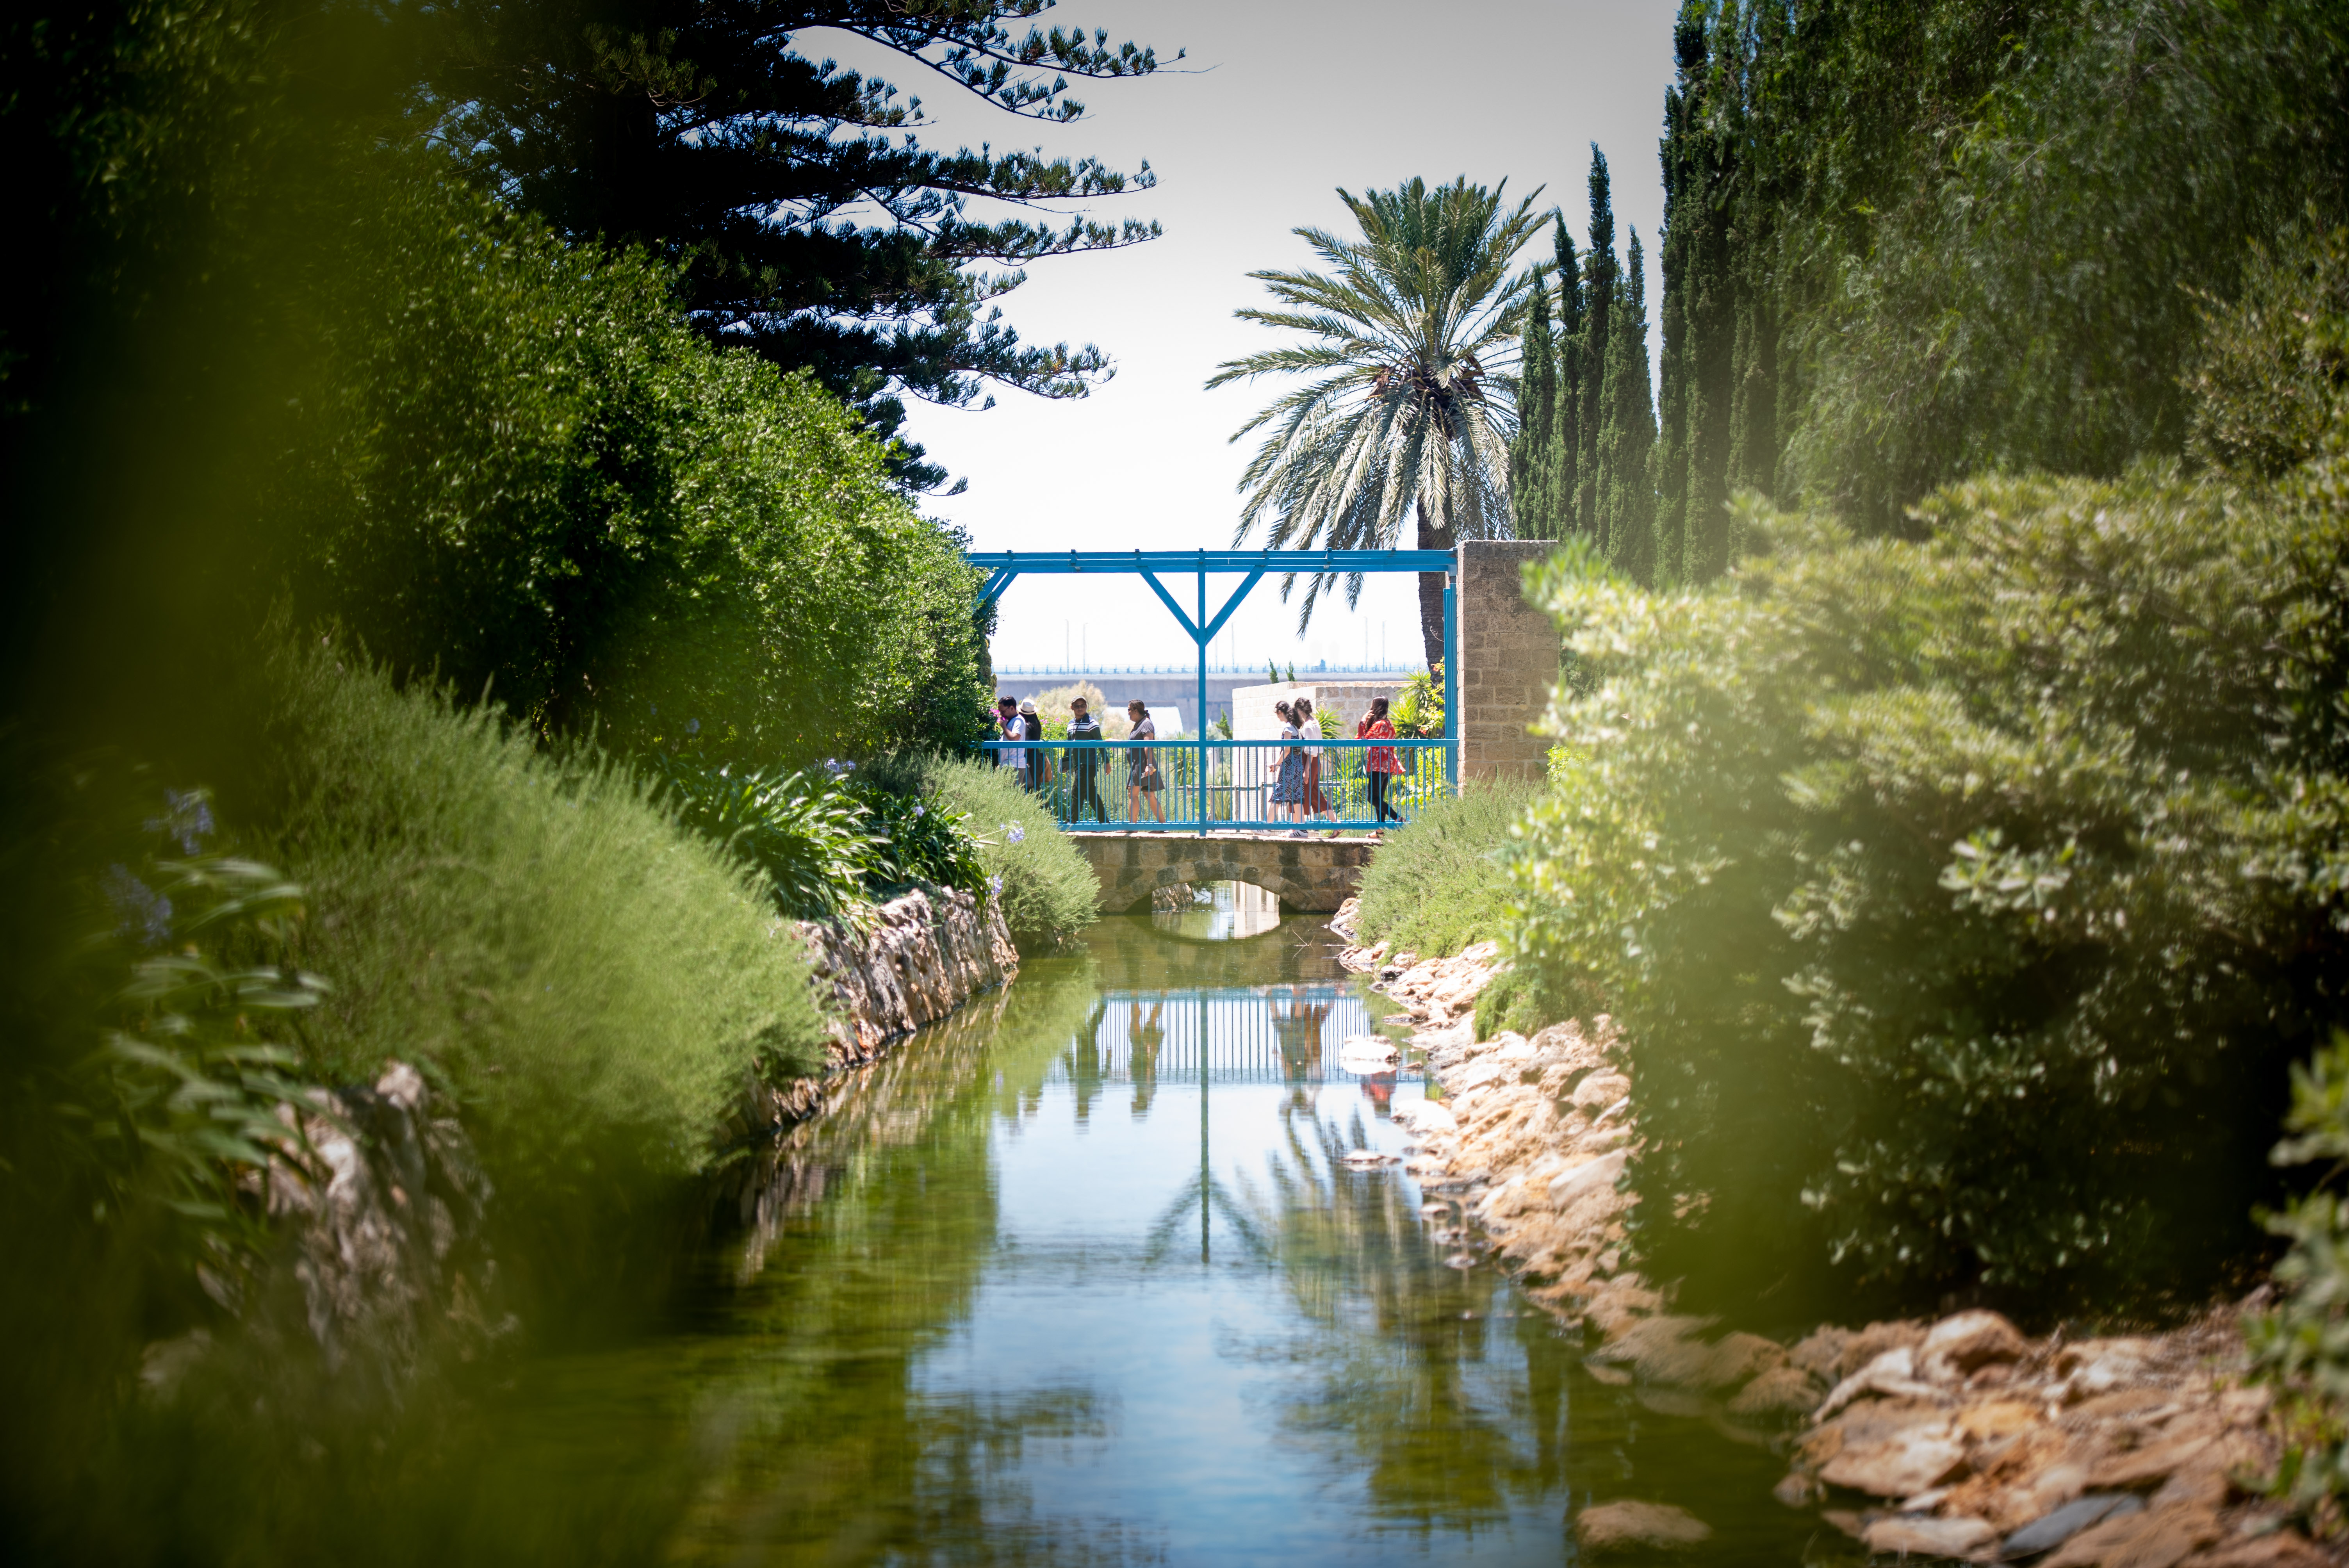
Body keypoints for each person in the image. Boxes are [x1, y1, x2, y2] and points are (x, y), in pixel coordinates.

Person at [1359, 695, 1405, 832]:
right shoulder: (1388, 723)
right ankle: (1380, 830)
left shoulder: (1380, 724)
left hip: (1378, 765)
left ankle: (1398, 818)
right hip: (1387, 765)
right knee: (1379, 798)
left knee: (1372, 799)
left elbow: (1363, 740)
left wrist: (1363, 720)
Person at [1294, 697, 1337, 835]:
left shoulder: (1307, 725)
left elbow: (1310, 750)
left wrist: (1306, 770)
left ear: (1300, 710)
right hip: (1314, 761)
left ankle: (1300, 828)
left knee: (1302, 793)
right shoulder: (1315, 722)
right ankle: (1336, 823)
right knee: (1314, 794)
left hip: (1309, 762)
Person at [1066, 697, 1109, 822]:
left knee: (1076, 791)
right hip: (1078, 765)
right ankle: (1105, 822)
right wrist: (1065, 763)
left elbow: (1100, 743)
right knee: (1091, 795)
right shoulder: (1071, 724)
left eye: (1082, 705)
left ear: (1086, 707)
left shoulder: (1092, 723)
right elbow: (1069, 745)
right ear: (1072, 707)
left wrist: (1107, 762)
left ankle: (1071, 822)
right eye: (1077, 706)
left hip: (1088, 764)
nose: (1080, 708)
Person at [1266, 700, 1306, 834]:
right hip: (1297, 766)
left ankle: (1268, 827)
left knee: (1277, 796)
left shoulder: (1288, 729)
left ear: (1280, 712)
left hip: (1289, 767)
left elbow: (1287, 750)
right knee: (1296, 798)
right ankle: (1302, 829)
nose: (1277, 717)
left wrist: (1277, 765)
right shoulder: (1296, 728)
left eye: (1277, 714)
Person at [1126, 700, 1166, 822]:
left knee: (1132, 794)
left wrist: (1149, 765)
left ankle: (1132, 827)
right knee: (1149, 794)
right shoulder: (1140, 723)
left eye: (1129, 710)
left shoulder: (1146, 724)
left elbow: (1148, 745)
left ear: (1136, 711)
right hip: (1140, 765)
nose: (1128, 713)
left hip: (1142, 765)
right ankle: (1163, 825)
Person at [1019, 700, 1050, 794]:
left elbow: (1027, 746)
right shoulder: (1036, 724)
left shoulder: (1026, 726)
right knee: (1035, 788)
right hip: (1036, 759)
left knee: (1031, 789)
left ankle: (1043, 808)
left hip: (1029, 760)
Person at [995, 695, 1024, 779]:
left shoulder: (1019, 721)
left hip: (1014, 765)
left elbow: (1014, 738)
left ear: (1011, 708)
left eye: (1003, 712)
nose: (1002, 714)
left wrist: (1004, 727)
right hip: (1007, 764)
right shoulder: (1012, 721)